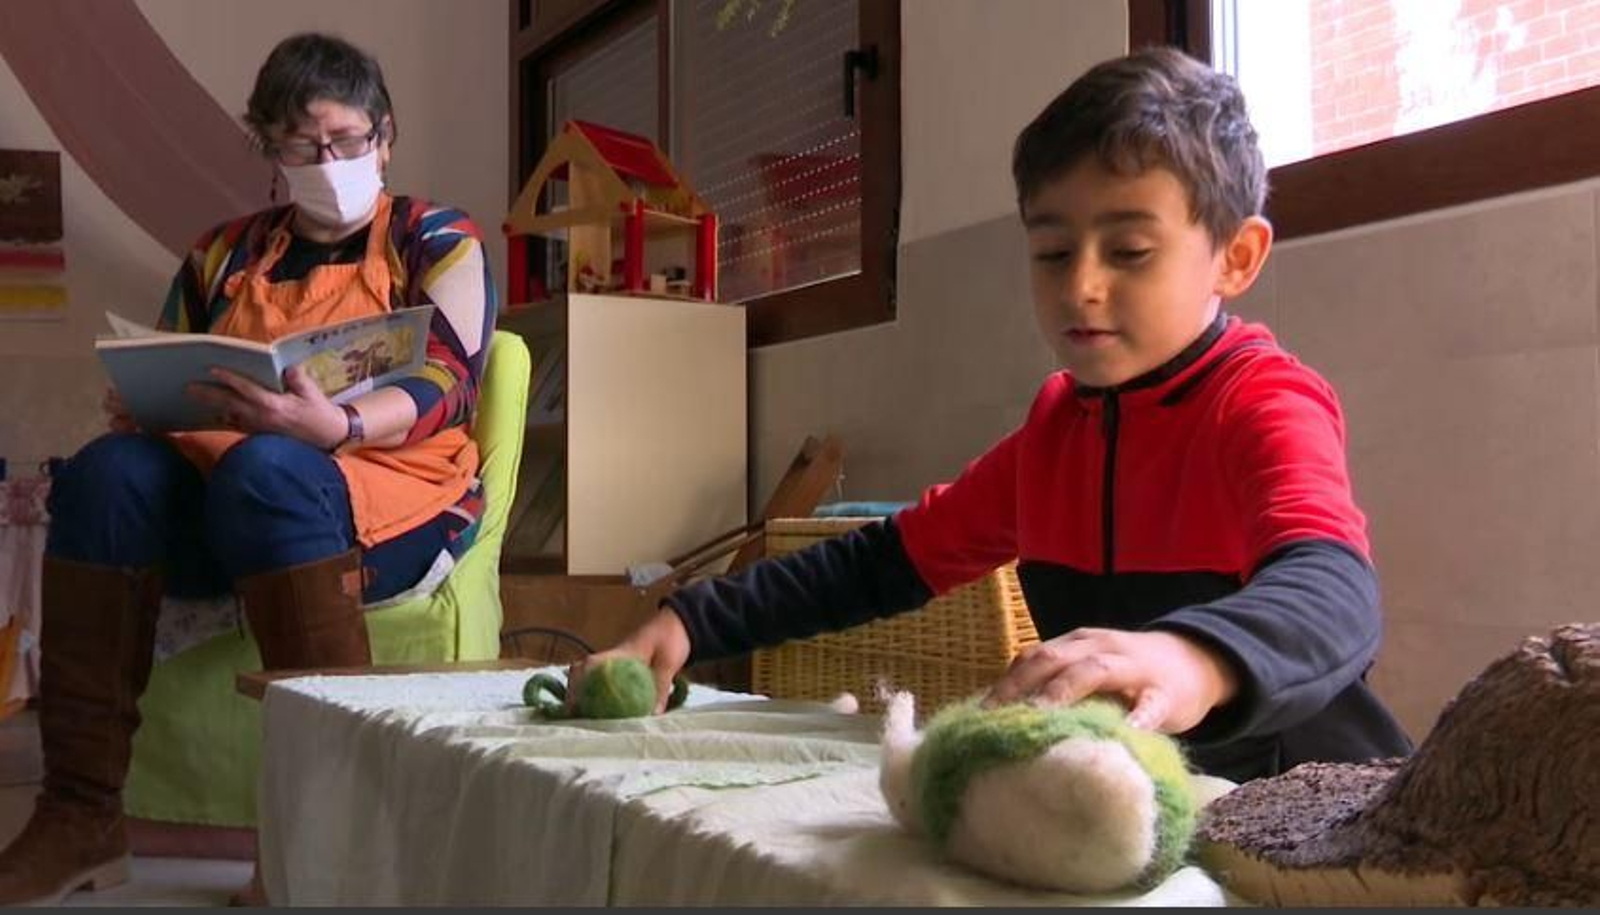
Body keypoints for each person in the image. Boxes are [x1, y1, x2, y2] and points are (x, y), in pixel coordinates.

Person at [575, 47, 1413, 784]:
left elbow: (1333, 591)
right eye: (1052, 251)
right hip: (1141, 805)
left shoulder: (1261, 400)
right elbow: (878, 564)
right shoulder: (1056, 430)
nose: (1080, 284)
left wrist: (1189, 657)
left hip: (1310, 809)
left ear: (1236, 257)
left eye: (1128, 251)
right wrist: (691, 619)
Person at [0, 32, 496, 905]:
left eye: (346, 141)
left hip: (390, 498)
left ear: (385, 135)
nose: (327, 162)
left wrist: (334, 423)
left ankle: (324, 834)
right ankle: (81, 814)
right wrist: (144, 403)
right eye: (300, 147)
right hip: (233, 495)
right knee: (105, 471)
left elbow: (451, 380)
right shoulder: (222, 254)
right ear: (269, 149)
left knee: (269, 469)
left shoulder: (434, 235)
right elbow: (166, 356)